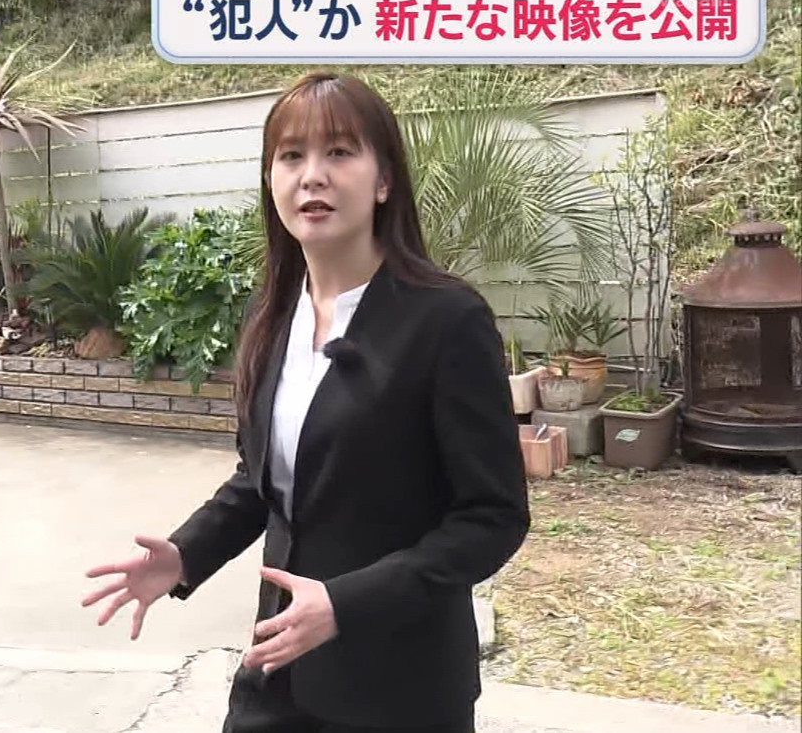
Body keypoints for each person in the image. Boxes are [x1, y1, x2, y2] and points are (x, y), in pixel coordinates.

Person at [81, 71, 531, 733]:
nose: (312, 176)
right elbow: (263, 481)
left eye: (339, 152)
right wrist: (184, 555)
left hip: (400, 691)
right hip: (278, 672)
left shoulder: (446, 321)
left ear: (384, 181)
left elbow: (493, 518)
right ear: (271, 180)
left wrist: (345, 604)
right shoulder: (271, 316)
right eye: (291, 156)